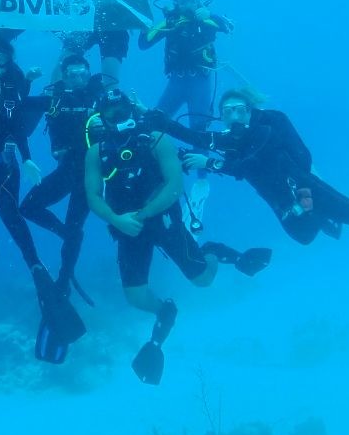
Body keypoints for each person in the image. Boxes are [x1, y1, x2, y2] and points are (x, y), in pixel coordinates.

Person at [85, 90, 269, 385]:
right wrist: (116, 219)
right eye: (111, 113)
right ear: (101, 118)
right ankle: (165, 310)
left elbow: (174, 184)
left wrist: (143, 215)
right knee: (135, 297)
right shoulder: (97, 152)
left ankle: (211, 250)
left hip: (161, 218)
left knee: (203, 279)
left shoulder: (156, 138)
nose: (119, 117)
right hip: (126, 226)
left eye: (123, 110)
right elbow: (93, 195)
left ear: (132, 111)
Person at [0, 35, 85, 363]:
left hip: (6, 161)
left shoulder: (14, 88)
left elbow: (20, 126)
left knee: (10, 213)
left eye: (2, 58)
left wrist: (25, 158)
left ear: (9, 63)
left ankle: (35, 266)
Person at [180, 89, 349, 243]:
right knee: (305, 237)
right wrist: (153, 119)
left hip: (303, 184)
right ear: (221, 117)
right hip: (280, 199)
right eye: (227, 111)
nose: (234, 116)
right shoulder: (229, 141)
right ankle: (319, 214)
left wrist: (209, 162)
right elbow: (194, 137)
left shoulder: (264, 131)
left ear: (249, 110)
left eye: (239, 109)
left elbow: (245, 167)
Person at [139, 0, 234, 230]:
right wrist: (164, 21)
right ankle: (152, 170)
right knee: (153, 122)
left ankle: (201, 181)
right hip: (177, 82)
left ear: (198, 2)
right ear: (176, 4)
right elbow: (144, 42)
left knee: (198, 128)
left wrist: (210, 16)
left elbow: (229, 26)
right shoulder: (171, 21)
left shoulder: (207, 19)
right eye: (182, 1)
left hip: (200, 80)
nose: (187, 4)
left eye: (191, 0)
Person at [19, 55, 103, 298]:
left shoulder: (100, 99)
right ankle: (67, 235)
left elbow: (128, 120)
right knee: (28, 207)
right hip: (67, 171)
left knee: (75, 226)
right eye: (72, 75)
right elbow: (19, 103)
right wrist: (26, 80)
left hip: (91, 175)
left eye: (83, 74)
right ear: (63, 77)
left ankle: (64, 281)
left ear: (89, 74)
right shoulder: (54, 99)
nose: (79, 80)